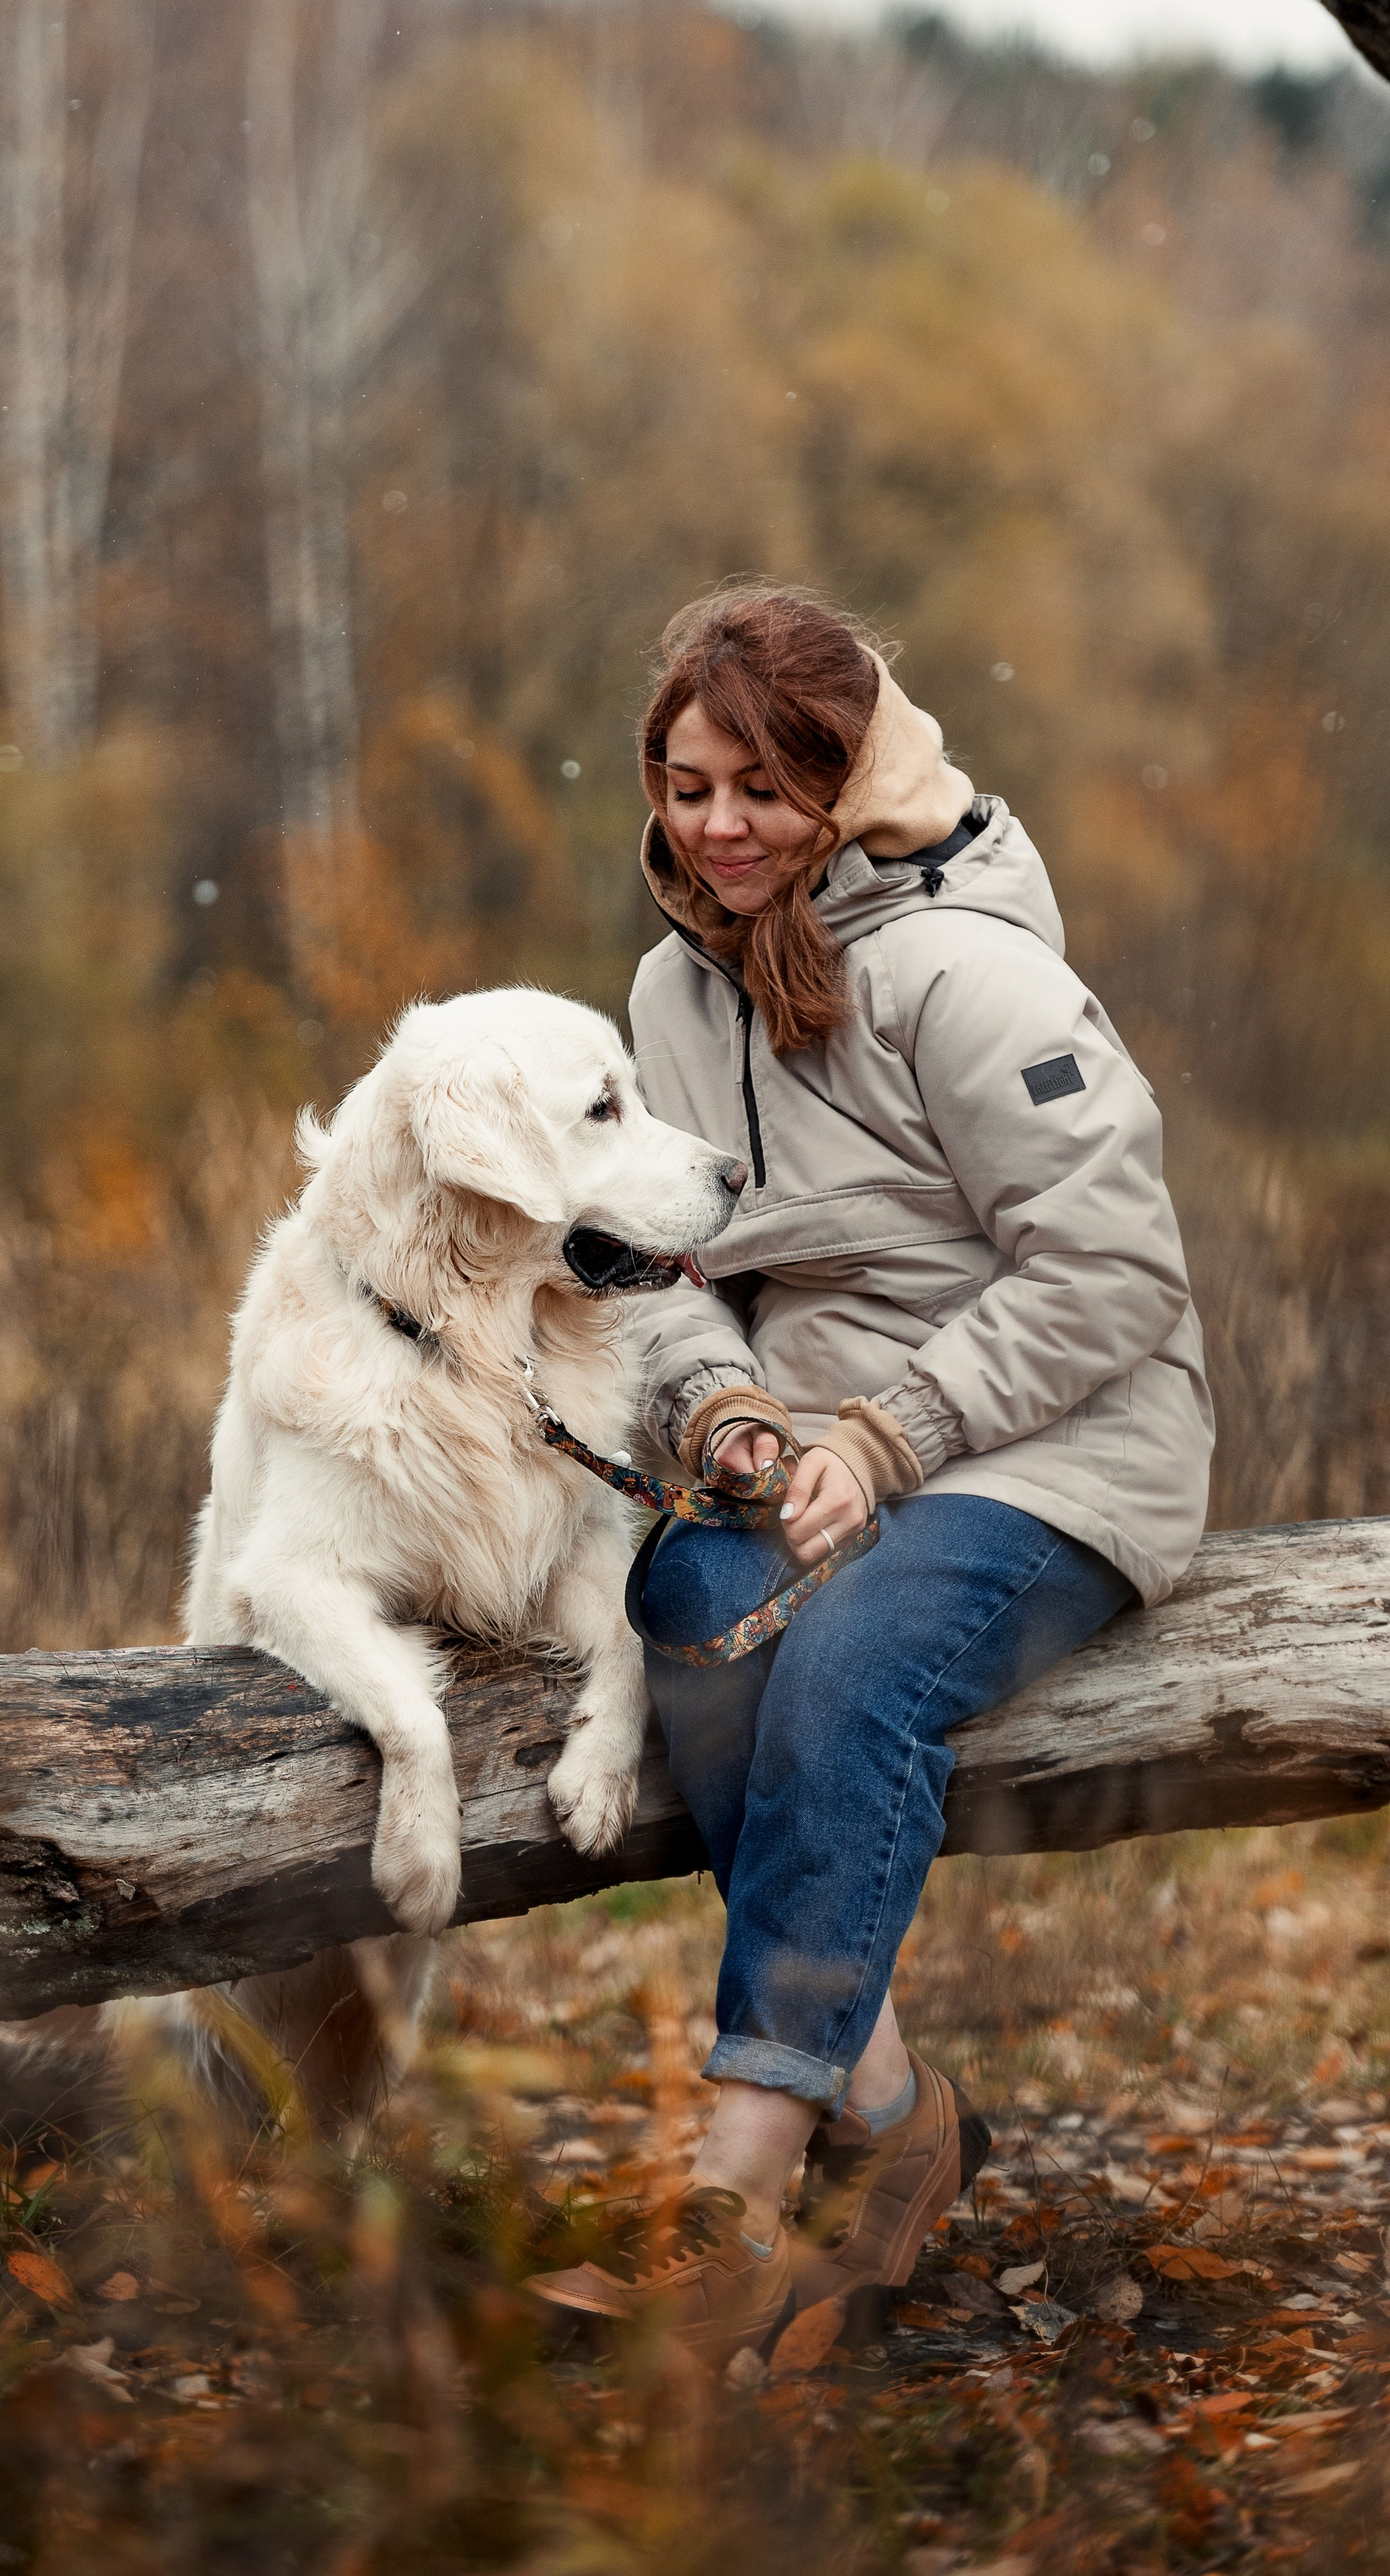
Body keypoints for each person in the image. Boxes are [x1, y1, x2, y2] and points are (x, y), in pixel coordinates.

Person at [529, 583, 1213, 2352]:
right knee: (690, 1603)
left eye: (761, 787)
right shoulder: (665, 998)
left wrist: (892, 1430)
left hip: (1060, 1445)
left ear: (841, 786)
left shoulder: (968, 970)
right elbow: (661, 1284)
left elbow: (1116, 1272)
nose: (717, 826)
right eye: (684, 785)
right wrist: (722, 1418)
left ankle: (732, 2193)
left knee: (842, 1665)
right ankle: (900, 2121)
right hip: (818, 1453)